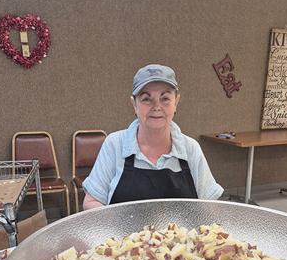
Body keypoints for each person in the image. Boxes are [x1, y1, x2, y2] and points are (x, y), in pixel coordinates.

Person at [82, 64, 223, 209]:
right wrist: (119, 231)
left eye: (165, 98)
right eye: (146, 99)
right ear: (134, 105)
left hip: (184, 232)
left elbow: (211, 207)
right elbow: (91, 202)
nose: (156, 106)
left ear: (176, 102)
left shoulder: (190, 148)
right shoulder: (115, 144)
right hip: (122, 232)